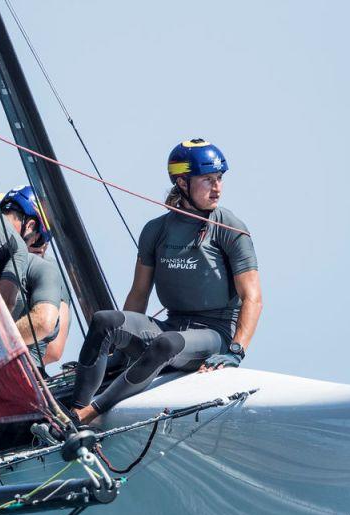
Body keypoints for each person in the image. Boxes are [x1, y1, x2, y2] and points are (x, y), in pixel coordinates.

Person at [71, 139, 263, 424]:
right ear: (183, 183)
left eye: (220, 178)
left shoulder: (230, 228)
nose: (217, 187)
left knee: (165, 344)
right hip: (172, 324)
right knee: (104, 321)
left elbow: (253, 298)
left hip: (214, 334)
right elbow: (139, 294)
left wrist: (236, 350)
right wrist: (121, 347)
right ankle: (74, 410)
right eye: (208, 179)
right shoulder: (155, 230)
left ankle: (89, 415)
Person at [0, 186, 69, 369]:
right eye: (39, 239)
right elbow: (53, 350)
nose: (40, 247)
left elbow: (53, 350)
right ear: (30, 227)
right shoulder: (27, 261)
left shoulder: (43, 268)